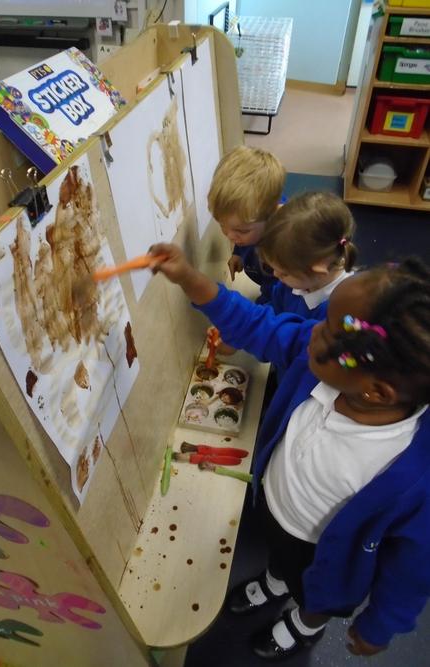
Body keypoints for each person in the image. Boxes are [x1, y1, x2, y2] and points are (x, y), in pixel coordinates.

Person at [149, 243, 430, 662]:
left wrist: (380, 626)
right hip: (277, 513)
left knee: (312, 594)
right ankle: (275, 581)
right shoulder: (323, 357)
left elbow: (413, 569)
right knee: (279, 560)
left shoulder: (414, 478)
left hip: (324, 558)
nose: (313, 330)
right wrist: (191, 278)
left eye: (329, 331)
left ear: (376, 392)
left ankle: (303, 624)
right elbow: (257, 325)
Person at [261, 191, 357, 320]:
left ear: (318, 272)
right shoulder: (294, 279)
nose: (275, 274)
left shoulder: (336, 313)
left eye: (284, 273)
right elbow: (275, 307)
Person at [207, 145, 286, 304]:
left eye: (241, 231)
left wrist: (262, 307)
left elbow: (281, 299)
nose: (230, 236)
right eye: (222, 225)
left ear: (272, 216)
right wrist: (238, 253)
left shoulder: (283, 250)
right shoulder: (252, 220)